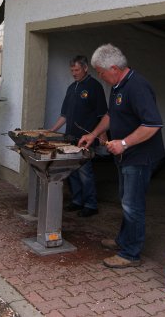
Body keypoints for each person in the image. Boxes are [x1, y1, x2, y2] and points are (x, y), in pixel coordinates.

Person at [78, 44, 164, 269]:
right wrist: (94, 134)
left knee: (132, 204)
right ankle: (123, 241)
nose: (100, 76)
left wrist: (124, 143)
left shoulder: (137, 87)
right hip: (126, 156)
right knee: (126, 199)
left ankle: (130, 254)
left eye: (101, 72)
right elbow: (110, 115)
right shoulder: (118, 86)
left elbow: (153, 124)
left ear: (114, 68)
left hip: (140, 156)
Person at [50, 55, 107, 217]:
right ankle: (77, 201)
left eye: (77, 70)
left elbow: (103, 113)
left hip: (87, 138)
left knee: (85, 171)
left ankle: (91, 204)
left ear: (85, 68)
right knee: (72, 171)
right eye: (72, 70)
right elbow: (64, 115)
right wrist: (52, 130)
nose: (74, 73)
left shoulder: (95, 87)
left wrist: (102, 134)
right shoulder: (71, 88)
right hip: (70, 137)